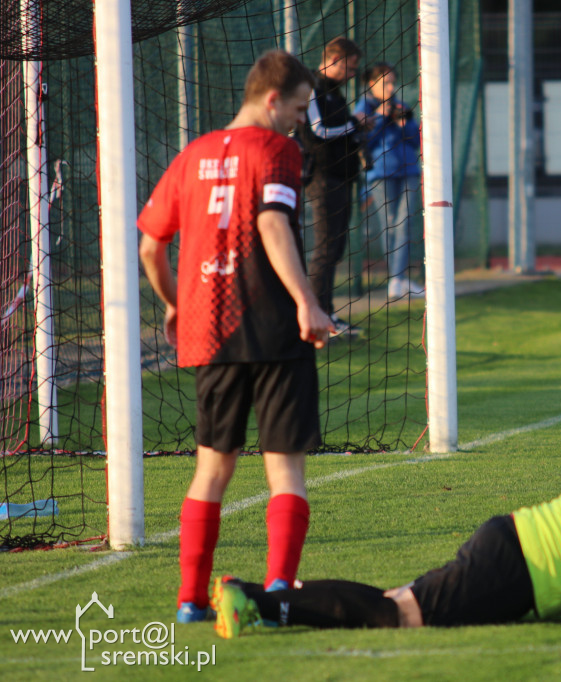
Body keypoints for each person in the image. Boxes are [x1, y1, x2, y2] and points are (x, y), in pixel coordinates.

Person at [137, 49, 334, 624]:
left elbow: (151, 246)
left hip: (211, 332)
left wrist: (177, 304)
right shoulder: (278, 150)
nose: (302, 119)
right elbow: (272, 223)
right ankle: (277, 593)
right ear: (272, 100)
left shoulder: (191, 155)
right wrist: (307, 301)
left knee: (211, 469)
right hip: (274, 329)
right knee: (285, 469)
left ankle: (190, 601)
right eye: (299, 107)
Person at [210, 469, 561, 637]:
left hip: (515, 541)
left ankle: (257, 599)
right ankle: (252, 599)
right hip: (520, 570)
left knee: (395, 601)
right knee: (396, 615)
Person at [300, 36, 366, 337]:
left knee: (336, 249)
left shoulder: (336, 94)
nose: (352, 74)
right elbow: (317, 131)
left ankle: (327, 313)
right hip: (323, 178)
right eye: (350, 68)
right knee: (325, 250)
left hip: (343, 177)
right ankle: (316, 315)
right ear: (335, 60)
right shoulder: (312, 87)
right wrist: (354, 124)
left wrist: (358, 129)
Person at [353, 62, 425, 301]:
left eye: (393, 82)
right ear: (372, 84)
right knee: (389, 224)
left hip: (409, 172)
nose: (391, 87)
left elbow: (416, 140)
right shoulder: (364, 107)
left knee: (405, 222)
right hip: (381, 175)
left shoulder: (400, 105)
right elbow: (362, 140)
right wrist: (381, 117)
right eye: (386, 82)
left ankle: (400, 279)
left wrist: (405, 124)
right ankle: (397, 278)